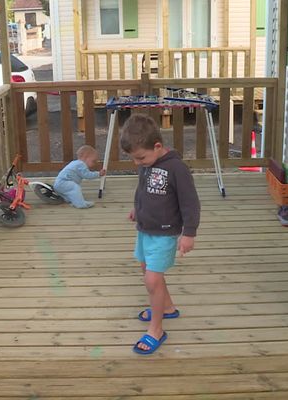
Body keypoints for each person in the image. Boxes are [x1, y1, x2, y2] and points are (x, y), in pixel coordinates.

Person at [120, 113, 200, 355]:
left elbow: (190, 203)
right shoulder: (147, 164)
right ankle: (167, 307)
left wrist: (189, 233)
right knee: (147, 270)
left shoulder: (176, 168)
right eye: (134, 159)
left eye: (141, 158)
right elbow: (143, 189)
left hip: (165, 233)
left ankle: (156, 330)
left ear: (157, 146)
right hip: (145, 229)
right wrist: (138, 207)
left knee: (152, 280)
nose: (138, 163)